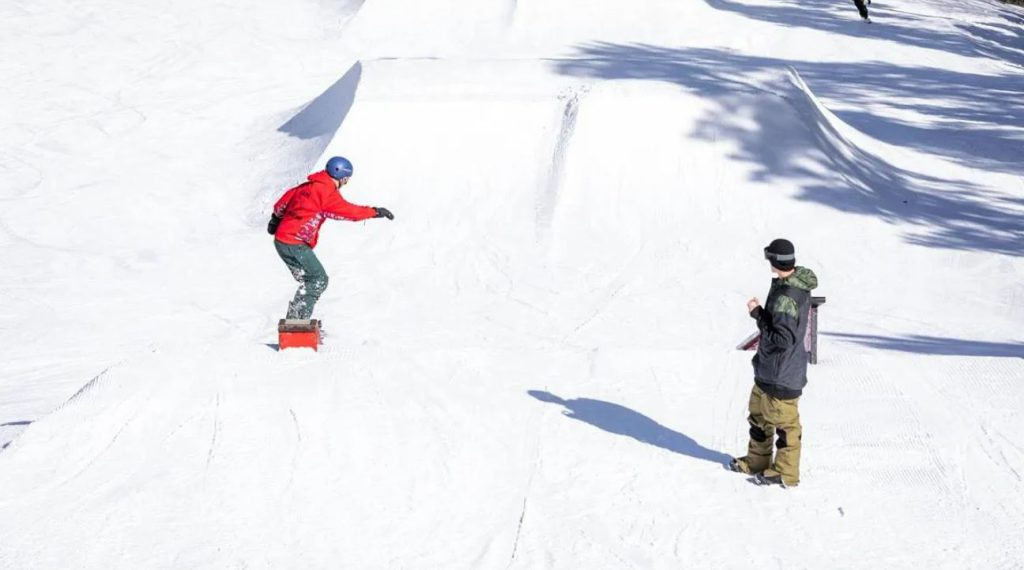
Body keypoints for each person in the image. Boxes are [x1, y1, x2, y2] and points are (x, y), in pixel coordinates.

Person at [730, 239, 819, 487]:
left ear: (774, 261)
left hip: (782, 374)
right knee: (759, 418)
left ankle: (785, 472)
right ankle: (757, 462)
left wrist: (758, 315)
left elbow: (783, 337)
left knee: (785, 426)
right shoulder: (785, 285)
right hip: (769, 370)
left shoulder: (787, 297)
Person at [267, 156, 393, 320]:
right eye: (346, 180)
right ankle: (297, 324)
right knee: (318, 279)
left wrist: (275, 219)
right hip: (294, 243)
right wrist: (375, 212)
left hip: (283, 241)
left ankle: (295, 319)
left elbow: (281, 204)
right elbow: (351, 212)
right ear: (343, 177)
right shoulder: (326, 194)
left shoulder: (308, 186)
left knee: (310, 280)